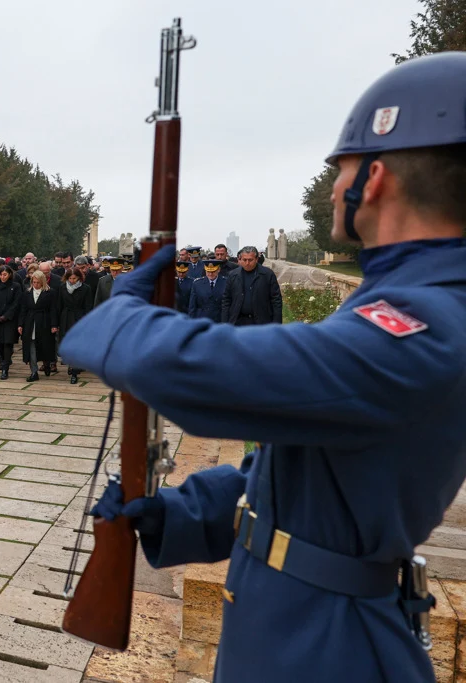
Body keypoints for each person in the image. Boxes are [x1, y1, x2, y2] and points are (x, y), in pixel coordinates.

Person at [59, 52, 466, 683]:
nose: (334, 187)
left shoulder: (426, 321)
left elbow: (205, 374)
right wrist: (181, 514)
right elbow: (300, 472)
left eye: (342, 170)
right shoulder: (405, 298)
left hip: (330, 650)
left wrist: (123, 316)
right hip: (299, 627)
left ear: (376, 178)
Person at [222, 246, 284, 326]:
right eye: (244, 260)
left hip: (262, 322)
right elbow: (226, 300)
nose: (247, 263)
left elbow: (276, 300)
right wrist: (224, 323)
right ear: (240, 259)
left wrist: (277, 324)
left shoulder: (267, 275)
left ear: (256, 259)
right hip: (238, 322)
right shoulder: (233, 275)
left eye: (250, 260)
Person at [18, 270, 58, 382]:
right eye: (34, 282)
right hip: (30, 322)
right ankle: (34, 371)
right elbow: (23, 309)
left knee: (45, 345)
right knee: (30, 346)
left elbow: (53, 309)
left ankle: (46, 364)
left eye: (38, 282)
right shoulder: (27, 293)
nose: (36, 284)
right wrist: (20, 324)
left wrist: (54, 324)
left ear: (43, 282)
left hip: (44, 321)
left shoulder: (50, 293)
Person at [56, 267, 92, 384]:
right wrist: (56, 323)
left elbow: (88, 307)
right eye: (70, 278)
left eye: (74, 278)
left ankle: (75, 371)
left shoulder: (86, 289)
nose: (72, 281)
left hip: (79, 318)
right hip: (65, 318)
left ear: (79, 278)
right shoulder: (62, 288)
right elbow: (59, 305)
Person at [0, 265, 20, 381]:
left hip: (9, 320)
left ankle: (5, 369)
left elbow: (16, 303)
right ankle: (1, 360)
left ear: (10, 275)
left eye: (5, 274)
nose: (3, 277)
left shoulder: (15, 286)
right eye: (1, 275)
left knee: (8, 343)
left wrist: (6, 316)